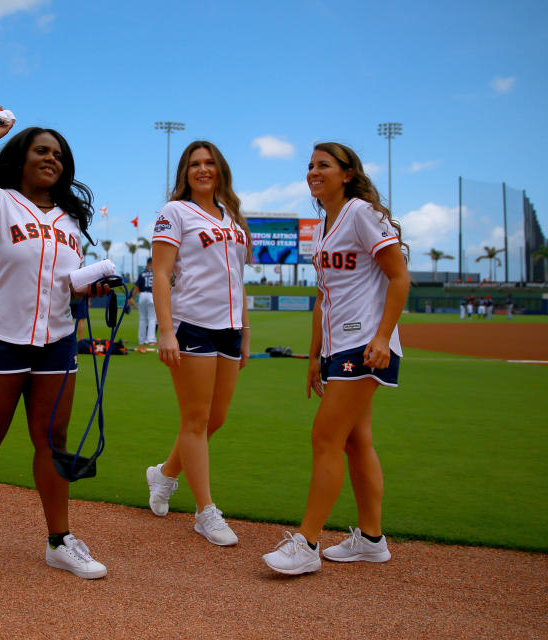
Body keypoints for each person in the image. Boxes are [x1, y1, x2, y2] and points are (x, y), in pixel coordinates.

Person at [0, 108, 110, 579]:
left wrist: (89, 286)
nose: (51, 159)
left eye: (58, 155)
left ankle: (59, 540)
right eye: (42, 150)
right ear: (21, 158)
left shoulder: (70, 222)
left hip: (58, 340)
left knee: (53, 442)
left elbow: (63, 284)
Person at [262, 142, 409, 575]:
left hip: (364, 343)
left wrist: (383, 337)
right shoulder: (322, 226)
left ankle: (306, 544)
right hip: (336, 348)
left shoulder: (362, 213)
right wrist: (313, 357)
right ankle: (371, 540)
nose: (313, 171)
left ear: (347, 174)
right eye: (309, 165)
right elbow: (323, 299)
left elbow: (399, 278)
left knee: (325, 437)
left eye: (323, 165)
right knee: (355, 441)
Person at [145, 140, 251, 546]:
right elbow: (160, 274)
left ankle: (166, 473)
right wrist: (166, 330)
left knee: (216, 418)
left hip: (228, 329)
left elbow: (239, 280)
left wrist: (245, 331)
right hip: (192, 325)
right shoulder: (175, 212)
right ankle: (205, 512)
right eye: (194, 164)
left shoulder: (233, 218)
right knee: (195, 419)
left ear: (220, 169)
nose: (202, 170)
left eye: (209, 163)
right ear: (185, 173)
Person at [129, 257, 157, 353]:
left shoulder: (142, 274)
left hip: (142, 296)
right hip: (152, 295)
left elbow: (136, 288)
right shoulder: (155, 273)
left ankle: (141, 340)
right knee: (152, 318)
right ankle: (151, 340)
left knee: (142, 319)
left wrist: (132, 298)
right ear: (152, 264)